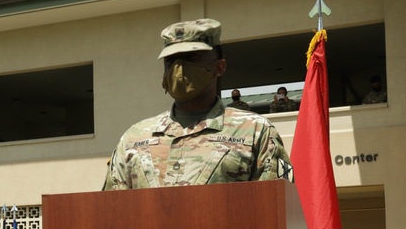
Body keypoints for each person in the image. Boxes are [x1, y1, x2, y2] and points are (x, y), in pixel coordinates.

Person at [103, 19, 293, 190]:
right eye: (170, 61)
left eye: (191, 58)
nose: (179, 68)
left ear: (219, 67)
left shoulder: (255, 132)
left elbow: (276, 209)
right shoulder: (133, 138)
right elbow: (111, 213)